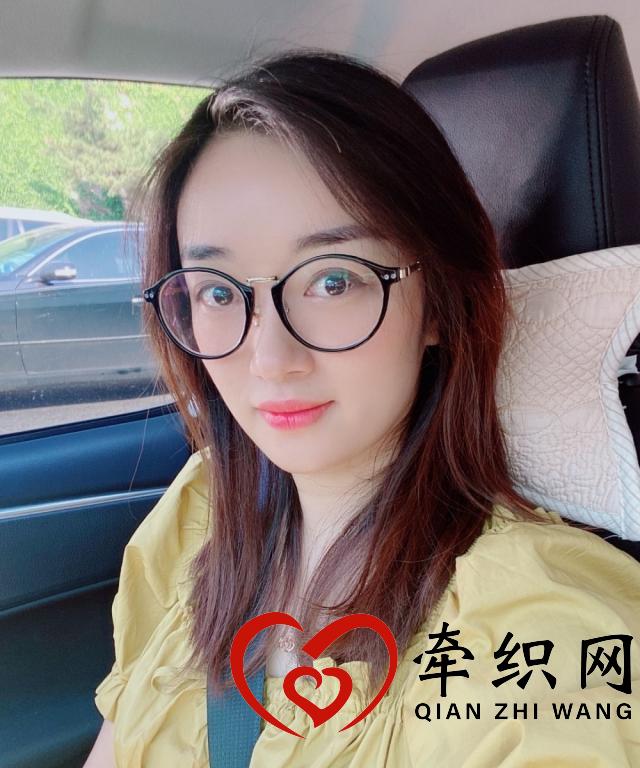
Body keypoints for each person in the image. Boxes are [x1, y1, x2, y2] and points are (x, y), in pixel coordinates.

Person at [84, 49, 640, 768]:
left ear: (437, 303)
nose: (270, 357)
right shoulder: (201, 509)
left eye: (334, 281)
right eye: (218, 291)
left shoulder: (541, 630)